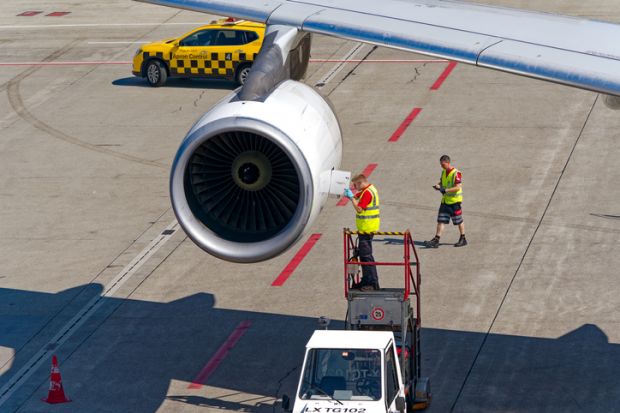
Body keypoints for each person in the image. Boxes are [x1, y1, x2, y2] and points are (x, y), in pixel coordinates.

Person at [344, 174, 380, 290]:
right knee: (363, 256)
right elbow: (356, 196)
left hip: (367, 229)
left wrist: (352, 198)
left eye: (355, 185)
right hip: (365, 229)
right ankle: (366, 280)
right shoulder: (368, 189)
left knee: (366, 256)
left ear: (360, 183)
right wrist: (350, 195)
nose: (354, 187)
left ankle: (371, 283)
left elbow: (359, 209)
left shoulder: (368, 193)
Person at [425, 155, 467, 248]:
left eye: (443, 164)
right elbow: (442, 182)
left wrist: (445, 190)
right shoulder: (443, 172)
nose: (441, 166)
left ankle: (463, 238)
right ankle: (436, 239)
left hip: (454, 202)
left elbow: (458, 187)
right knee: (441, 220)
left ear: (448, 162)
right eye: (441, 164)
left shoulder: (456, 173)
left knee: (458, 221)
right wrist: (438, 185)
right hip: (445, 201)